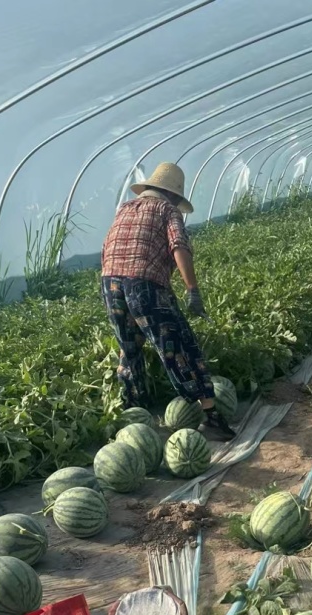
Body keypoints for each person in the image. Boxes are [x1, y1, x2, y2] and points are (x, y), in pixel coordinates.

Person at [101, 162, 235, 439]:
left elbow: (107, 249)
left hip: (110, 283)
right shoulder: (166, 210)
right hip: (144, 284)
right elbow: (179, 246)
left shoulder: (125, 208)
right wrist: (192, 290)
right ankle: (210, 416)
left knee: (129, 348)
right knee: (179, 345)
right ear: (173, 195)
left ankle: (134, 416)